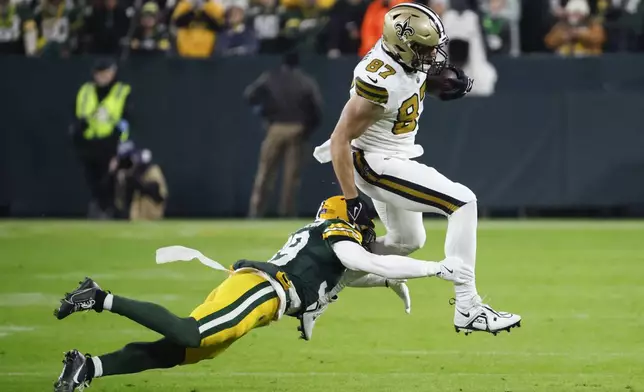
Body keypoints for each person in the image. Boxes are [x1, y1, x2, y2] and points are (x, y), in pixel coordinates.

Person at [52, 195, 472, 391]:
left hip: (263, 293)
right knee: (191, 335)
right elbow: (365, 261)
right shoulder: (337, 233)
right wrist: (433, 268)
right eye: (367, 227)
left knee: (185, 351)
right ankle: (99, 297)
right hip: (262, 289)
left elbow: (347, 274)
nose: (369, 235)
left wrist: (388, 281)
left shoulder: (326, 238)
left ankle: (87, 368)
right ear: (354, 222)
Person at [313, 2, 521, 335]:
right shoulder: (379, 79)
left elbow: (409, 84)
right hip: (376, 163)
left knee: (406, 240)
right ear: (402, 46)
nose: (433, 56)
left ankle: (321, 283)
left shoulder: (403, 58)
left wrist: (433, 85)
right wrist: (351, 200)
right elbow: (340, 139)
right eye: (425, 50)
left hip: (395, 156)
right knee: (462, 201)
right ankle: (468, 306)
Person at [245, 51, 322, 218]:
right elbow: (316, 109)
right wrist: (307, 128)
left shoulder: (271, 77)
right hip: (297, 128)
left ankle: (256, 211)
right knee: (291, 176)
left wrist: (265, 113)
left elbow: (250, 95)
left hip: (276, 127)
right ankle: (286, 213)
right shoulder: (305, 81)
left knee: (265, 172)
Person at [71, 59, 132, 219]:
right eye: (100, 73)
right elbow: (79, 117)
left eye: (107, 73)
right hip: (89, 142)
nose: (103, 77)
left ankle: (109, 211)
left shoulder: (121, 91)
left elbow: (127, 121)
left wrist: (117, 150)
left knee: (109, 180)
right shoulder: (86, 90)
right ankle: (97, 209)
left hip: (111, 142)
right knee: (92, 180)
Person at [112, 143, 168, 220]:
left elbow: (156, 192)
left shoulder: (152, 171)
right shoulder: (127, 174)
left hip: (151, 215)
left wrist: (133, 179)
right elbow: (120, 202)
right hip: (135, 216)